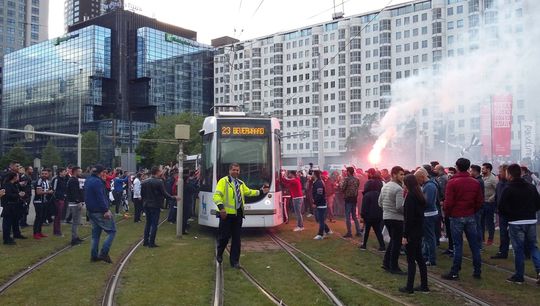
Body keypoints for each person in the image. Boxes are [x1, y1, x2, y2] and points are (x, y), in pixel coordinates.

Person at [214, 163, 269, 268]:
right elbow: (217, 195)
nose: (236, 172)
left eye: (237, 170)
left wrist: (261, 191)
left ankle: (235, 262)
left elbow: (248, 192)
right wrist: (221, 208)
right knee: (224, 237)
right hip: (226, 214)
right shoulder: (223, 181)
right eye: (234, 170)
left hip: (238, 214)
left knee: (236, 239)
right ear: (229, 171)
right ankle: (220, 253)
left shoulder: (240, 183)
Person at [498, 164, 540, 284]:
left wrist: (511, 215)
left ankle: (519, 275)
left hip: (515, 222)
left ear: (509, 174)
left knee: (518, 249)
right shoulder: (531, 187)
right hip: (531, 220)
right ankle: (539, 270)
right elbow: (538, 203)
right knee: (533, 247)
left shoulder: (508, 188)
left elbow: (501, 207)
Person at [442, 158, 483, 280]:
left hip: (456, 216)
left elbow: (448, 202)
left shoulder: (452, 182)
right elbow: (479, 201)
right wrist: (472, 210)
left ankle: (455, 271)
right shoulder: (475, 182)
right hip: (470, 215)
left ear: (457, 167)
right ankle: (477, 270)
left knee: (457, 245)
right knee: (474, 245)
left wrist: (448, 213)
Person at [400, 174, 429, 294]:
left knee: (411, 260)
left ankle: (409, 287)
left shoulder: (410, 197)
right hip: (418, 230)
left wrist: (405, 235)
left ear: (407, 184)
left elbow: (409, 218)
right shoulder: (419, 195)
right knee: (420, 259)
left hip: (412, 232)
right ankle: (424, 285)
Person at [85, 165, 116, 263]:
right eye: (105, 172)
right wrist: (106, 210)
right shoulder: (98, 182)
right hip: (99, 211)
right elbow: (100, 197)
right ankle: (104, 253)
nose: (106, 175)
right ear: (101, 172)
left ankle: (94, 256)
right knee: (112, 231)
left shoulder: (88, 180)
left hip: (91, 211)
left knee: (95, 235)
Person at [141, 166, 179, 247]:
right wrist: (174, 198)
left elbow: (142, 195)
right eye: (160, 171)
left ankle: (145, 241)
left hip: (146, 204)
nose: (162, 172)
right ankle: (151, 242)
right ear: (157, 172)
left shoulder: (144, 182)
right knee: (154, 224)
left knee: (148, 223)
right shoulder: (159, 182)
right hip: (155, 205)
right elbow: (165, 194)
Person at [379, 166, 406, 275]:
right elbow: (399, 207)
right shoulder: (398, 189)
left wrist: (387, 209)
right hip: (397, 218)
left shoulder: (385, 187)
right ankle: (394, 267)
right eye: (401, 174)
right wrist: (407, 213)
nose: (403, 177)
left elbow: (379, 202)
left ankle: (386, 262)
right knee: (396, 243)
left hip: (387, 217)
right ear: (394, 175)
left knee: (393, 241)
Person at [415, 167, 438, 266]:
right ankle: (425, 256)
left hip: (429, 214)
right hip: (428, 214)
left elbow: (427, 202)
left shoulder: (429, 187)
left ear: (422, 177)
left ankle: (431, 259)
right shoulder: (428, 185)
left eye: (418, 179)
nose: (418, 182)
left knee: (429, 238)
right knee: (426, 237)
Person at [360, 170, 385, 251]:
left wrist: (362, 216)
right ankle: (382, 246)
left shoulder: (367, 195)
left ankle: (363, 245)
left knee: (366, 231)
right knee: (378, 231)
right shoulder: (378, 194)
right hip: (377, 216)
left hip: (368, 217)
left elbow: (364, 207)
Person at [491, 165, 510, 259]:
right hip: (501, 213)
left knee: (513, 234)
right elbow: (497, 196)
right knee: (503, 234)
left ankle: (525, 253)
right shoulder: (500, 183)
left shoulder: (510, 184)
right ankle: (503, 251)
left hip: (509, 213)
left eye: (501, 171)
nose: (499, 173)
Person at [1, 172, 24, 244]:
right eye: (17, 176)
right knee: (7, 223)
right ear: (14, 177)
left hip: (14, 206)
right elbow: (8, 195)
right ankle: (6, 238)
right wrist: (18, 194)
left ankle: (16, 233)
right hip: (8, 206)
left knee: (15, 221)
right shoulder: (7, 185)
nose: (18, 177)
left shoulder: (14, 185)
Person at [341, 166, 362, 238]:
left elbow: (342, 188)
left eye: (346, 171)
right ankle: (358, 231)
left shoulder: (346, 179)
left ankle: (349, 232)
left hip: (348, 199)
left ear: (349, 172)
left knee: (347, 216)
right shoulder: (357, 179)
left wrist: (341, 185)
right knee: (354, 216)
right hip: (354, 199)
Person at [481, 163, 498, 246]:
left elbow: (498, 190)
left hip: (489, 203)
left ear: (488, 169)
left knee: (489, 222)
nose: (482, 170)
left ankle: (490, 239)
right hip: (481, 202)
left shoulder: (493, 179)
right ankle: (481, 239)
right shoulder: (481, 177)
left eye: (483, 169)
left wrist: (492, 198)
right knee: (481, 221)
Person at [66, 167, 85, 246]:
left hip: (74, 202)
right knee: (75, 222)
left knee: (76, 221)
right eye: (79, 172)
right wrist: (78, 202)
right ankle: (74, 239)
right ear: (75, 172)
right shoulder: (73, 180)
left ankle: (76, 236)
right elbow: (74, 192)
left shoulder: (74, 180)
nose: (81, 173)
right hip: (74, 203)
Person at [33, 169, 53, 239]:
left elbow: (47, 190)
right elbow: (38, 192)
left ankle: (39, 232)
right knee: (38, 217)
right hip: (38, 201)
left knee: (42, 217)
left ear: (48, 174)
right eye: (43, 173)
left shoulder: (47, 181)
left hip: (44, 201)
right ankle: (35, 233)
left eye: (45, 174)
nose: (44, 175)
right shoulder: (39, 181)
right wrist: (48, 192)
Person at [312, 170, 331, 240]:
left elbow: (319, 194)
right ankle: (328, 230)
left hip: (321, 204)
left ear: (315, 175)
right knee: (319, 219)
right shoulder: (317, 182)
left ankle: (320, 234)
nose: (312, 175)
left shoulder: (319, 183)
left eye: (313, 174)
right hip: (320, 203)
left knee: (320, 220)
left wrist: (315, 203)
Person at [470, 164, 485, 250]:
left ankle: (479, 245)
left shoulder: (478, 181)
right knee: (477, 226)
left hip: (477, 207)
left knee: (477, 226)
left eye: (471, 171)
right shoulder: (478, 180)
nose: (470, 172)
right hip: (478, 206)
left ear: (475, 171)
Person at [52, 167, 68, 236]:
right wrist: (57, 198)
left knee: (59, 215)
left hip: (62, 198)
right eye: (64, 171)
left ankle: (57, 230)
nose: (65, 173)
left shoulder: (64, 179)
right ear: (60, 172)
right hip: (58, 199)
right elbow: (54, 190)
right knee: (57, 215)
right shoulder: (56, 179)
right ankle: (56, 231)